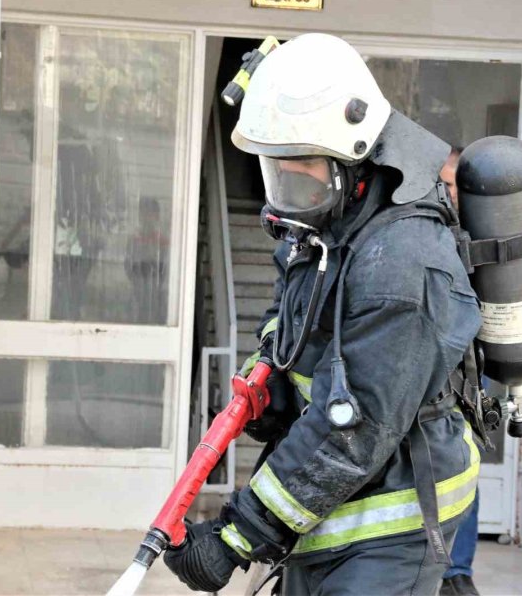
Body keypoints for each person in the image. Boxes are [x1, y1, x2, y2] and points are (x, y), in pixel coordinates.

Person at [163, 33, 482, 595]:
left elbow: (352, 430)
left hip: (391, 522)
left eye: (302, 169)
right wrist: (275, 390)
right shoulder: (332, 225)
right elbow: (291, 325)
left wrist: (235, 538)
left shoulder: (403, 265)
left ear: (353, 159)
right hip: (334, 515)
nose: (288, 191)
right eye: (277, 172)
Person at [437, 147, 481, 596]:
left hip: (469, 367)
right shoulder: (423, 232)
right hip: (432, 360)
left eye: (452, 183)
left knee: (463, 460)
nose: (445, 191)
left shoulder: (481, 235)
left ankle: (456, 574)